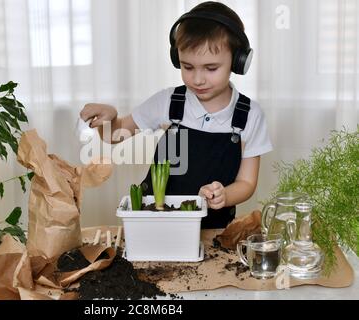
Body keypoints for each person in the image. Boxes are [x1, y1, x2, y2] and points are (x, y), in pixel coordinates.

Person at [80, 1, 272, 228]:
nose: (198, 79)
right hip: (157, 222)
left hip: (213, 229)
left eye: (211, 68)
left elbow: (246, 182)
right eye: (187, 67)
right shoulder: (169, 101)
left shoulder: (250, 115)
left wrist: (225, 196)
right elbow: (115, 135)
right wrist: (110, 120)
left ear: (238, 60)